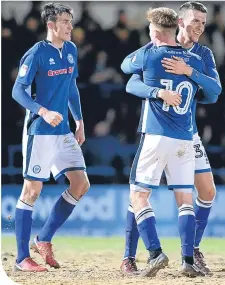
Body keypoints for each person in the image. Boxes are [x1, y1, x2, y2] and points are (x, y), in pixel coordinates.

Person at [119, 1, 221, 275]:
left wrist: (189, 73)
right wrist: (161, 90)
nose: (200, 26)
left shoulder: (201, 55)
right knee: (183, 196)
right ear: (180, 23)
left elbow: (214, 92)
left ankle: (185, 252)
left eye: (203, 21)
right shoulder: (165, 51)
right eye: (196, 21)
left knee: (201, 191)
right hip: (181, 135)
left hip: (183, 134)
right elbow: (132, 82)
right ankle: (132, 256)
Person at [11, 2, 90, 272]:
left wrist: (78, 121)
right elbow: (18, 91)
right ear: (51, 25)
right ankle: (22, 258)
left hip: (63, 131)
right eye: (65, 21)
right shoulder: (36, 54)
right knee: (32, 191)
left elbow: (71, 87)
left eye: (71, 20)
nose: (70, 26)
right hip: (40, 131)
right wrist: (42, 111)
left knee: (80, 184)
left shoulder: (71, 50)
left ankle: (43, 239)